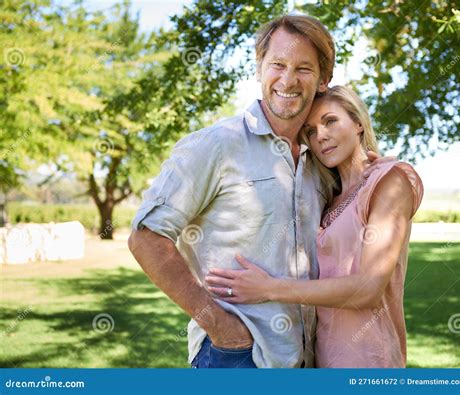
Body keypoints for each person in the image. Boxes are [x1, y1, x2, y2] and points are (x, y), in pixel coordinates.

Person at [129, 15, 383, 368]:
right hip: (236, 356)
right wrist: (220, 327)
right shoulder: (216, 145)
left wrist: (371, 167)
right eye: (277, 64)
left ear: (324, 80)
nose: (288, 80)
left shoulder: (320, 163)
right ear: (260, 68)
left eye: (304, 69)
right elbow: (146, 237)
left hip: (308, 359)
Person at [205, 85, 424, 368]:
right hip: (323, 360)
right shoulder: (328, 198)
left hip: (370, 360)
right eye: (310, 131)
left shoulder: (388, 180)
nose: (320, 135)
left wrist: (269, 288)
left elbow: (369, 289)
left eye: (330, 121)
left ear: (358, 123)